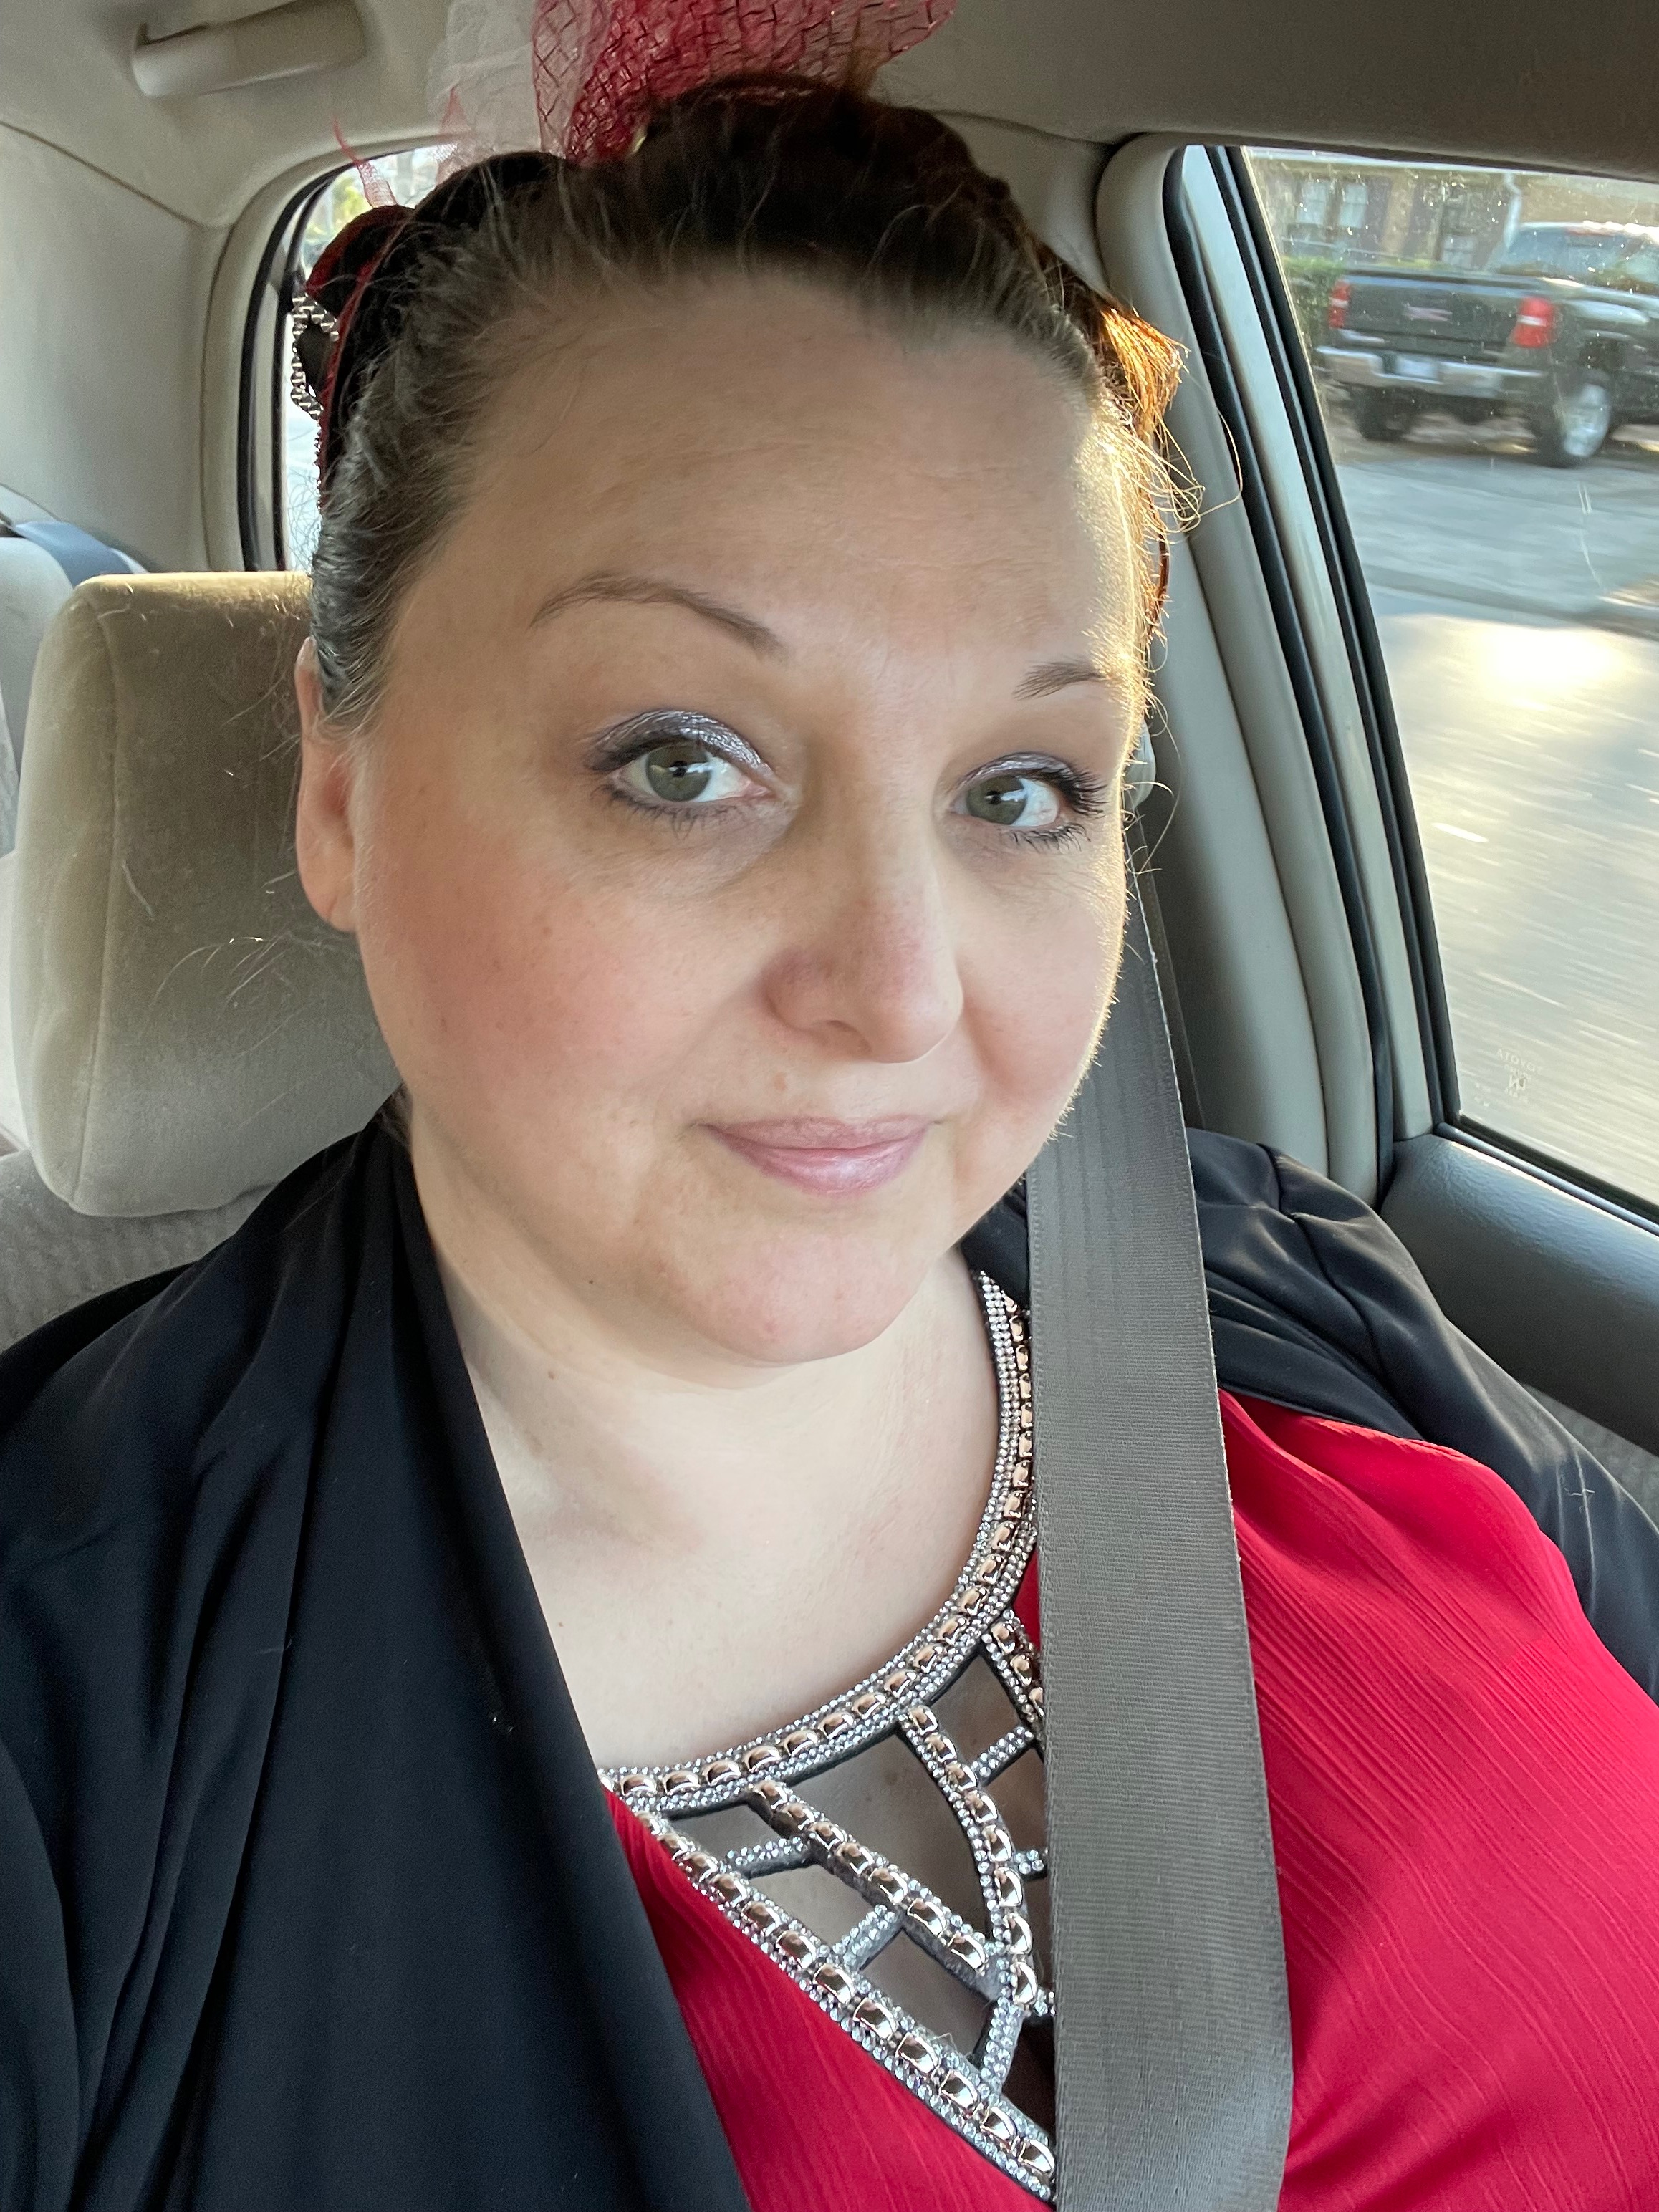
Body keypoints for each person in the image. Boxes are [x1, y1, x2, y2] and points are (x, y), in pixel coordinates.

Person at [4, 46, 1659, 2212]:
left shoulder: (1277, 1282)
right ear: (339, 783)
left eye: (1021, 791)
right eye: (682, 763)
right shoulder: (67, 1710)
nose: (900, 992)